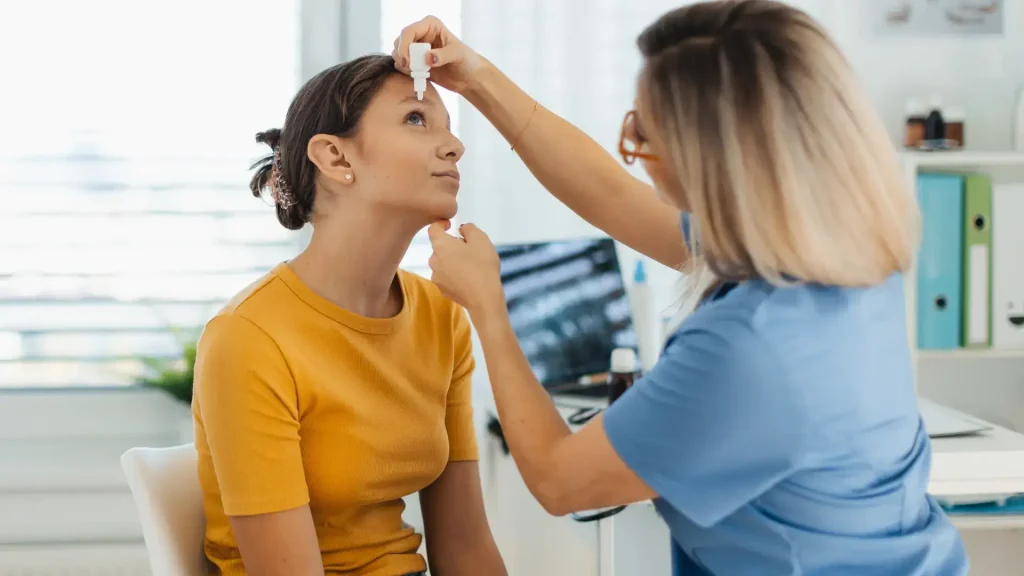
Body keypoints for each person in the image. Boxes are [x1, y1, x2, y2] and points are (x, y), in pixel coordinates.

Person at [393, 2, 968, 575]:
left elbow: (559, 479)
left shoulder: (749, 349)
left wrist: (490, 308)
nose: (635, 154)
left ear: (714, 160)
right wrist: (476, 77)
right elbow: (612, 196)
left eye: (646, 133)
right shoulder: (838, 244)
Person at [191, 54, 506, 576]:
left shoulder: (440, 315)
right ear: (336, 158)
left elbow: (466, 549)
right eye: (415, 118)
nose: (455, 146)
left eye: (448, 128)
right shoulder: (249, 338)